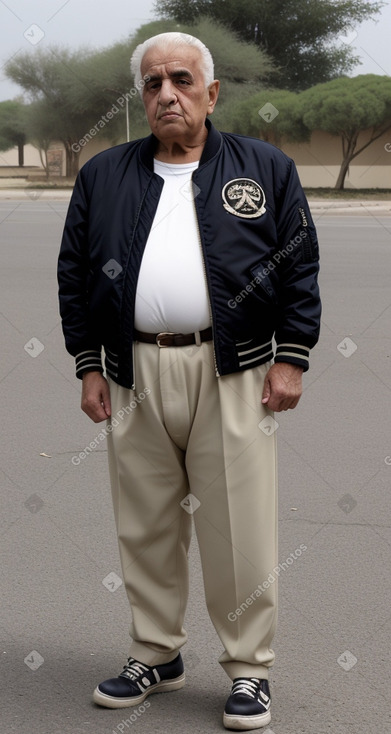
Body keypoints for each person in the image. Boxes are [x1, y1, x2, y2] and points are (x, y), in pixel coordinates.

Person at [58, 31, 321, 731]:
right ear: (140, 97)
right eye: (151, 83)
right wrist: (89, 366)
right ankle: (156, 653)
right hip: (131, 369)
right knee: (144, 523)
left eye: (179, 79)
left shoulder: (262, 167)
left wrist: (291, 355)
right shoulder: (104, 174)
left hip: (232, 368)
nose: (165, 93)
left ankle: (248, 668)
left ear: (210, 92)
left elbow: (299, 265)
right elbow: (76, 274)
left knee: (239, 528)